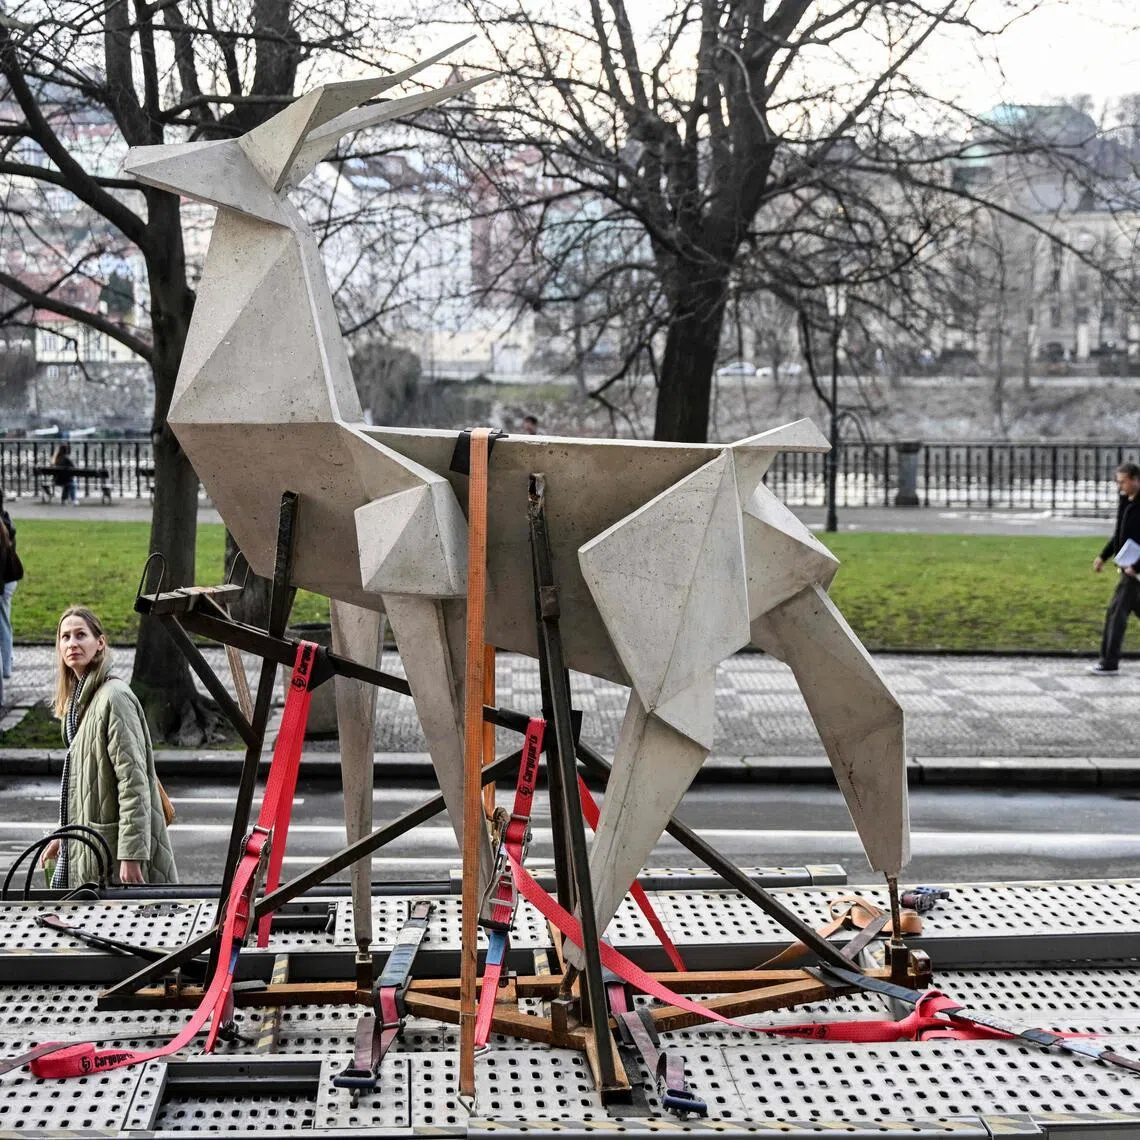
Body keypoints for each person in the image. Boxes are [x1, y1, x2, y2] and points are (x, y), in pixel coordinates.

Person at [40, 607, 178, 887]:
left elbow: (133, 782)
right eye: (65, 637)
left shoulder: (114, 698)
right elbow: (84, 787)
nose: (72, 643)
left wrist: (131, 855)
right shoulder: (81, 702)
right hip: (94, 848)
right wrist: (62, 835)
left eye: (81, 635)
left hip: (113, 855)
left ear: (99, 643)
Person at [1091, 461, 1140, 675]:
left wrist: (1136, 567)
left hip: (1134, 570)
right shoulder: (1125, 501)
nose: (1120, 486)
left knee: (1116, 613)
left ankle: (1109, 662)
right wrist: (1103, 556)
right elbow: (1119, 535)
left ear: (1135, 480)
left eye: (1123, 482)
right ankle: (1108, 661)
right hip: (1127, 566)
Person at [0, 491, 15, 681]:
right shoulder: (6, 520)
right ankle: (7, 663)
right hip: (9, 580)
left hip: (3, 582)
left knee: (3, 624)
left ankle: (6, 666)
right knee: (5, 621)